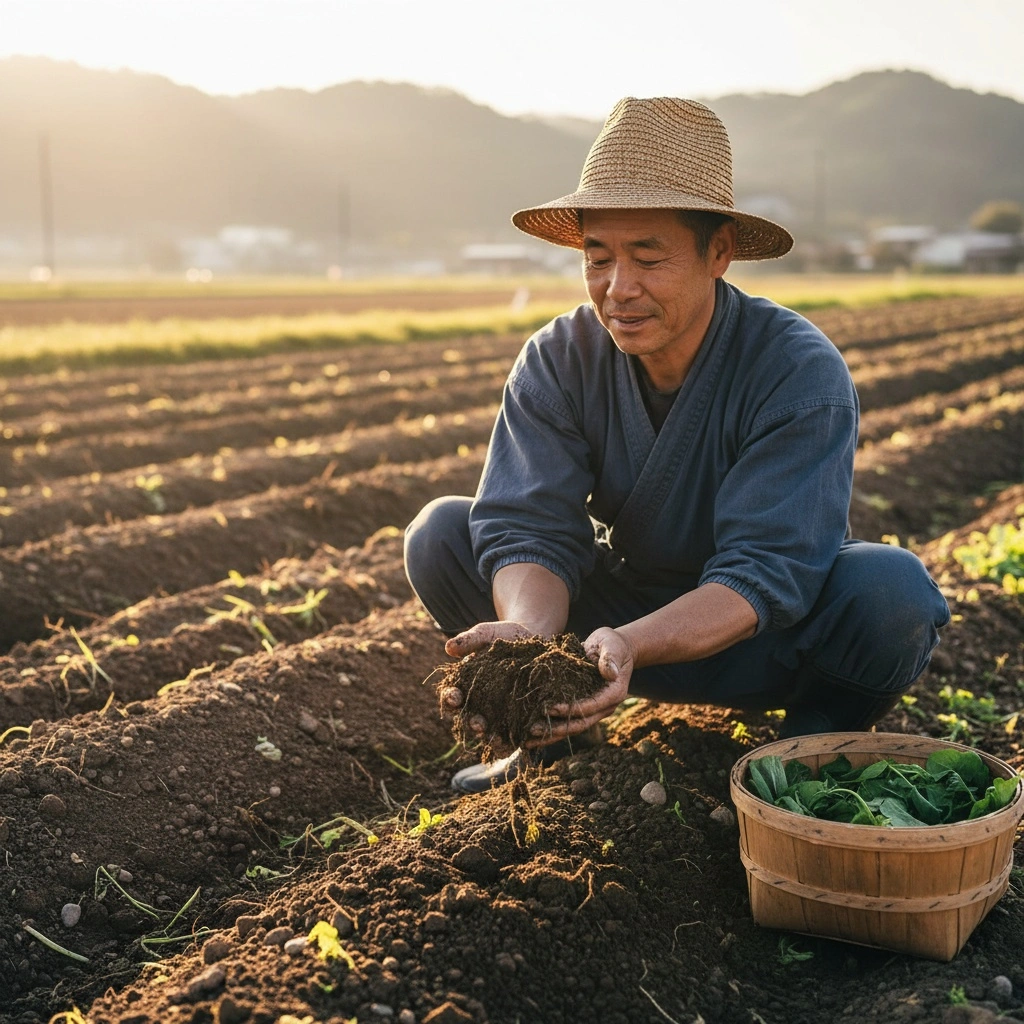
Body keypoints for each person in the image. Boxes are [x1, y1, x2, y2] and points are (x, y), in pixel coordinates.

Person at [404, 96, 950, 793]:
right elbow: (527, 524)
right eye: (597, 259)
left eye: (648, 258)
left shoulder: (796, 370)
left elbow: (765, 571)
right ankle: (551, 745)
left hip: (761, 641)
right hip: (612, 626)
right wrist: (531, 635)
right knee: (444, 533)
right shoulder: (559, 358)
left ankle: (804, 765)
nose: (617, 288)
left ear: (718, 251)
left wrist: (636, 643)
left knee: (890, 591)